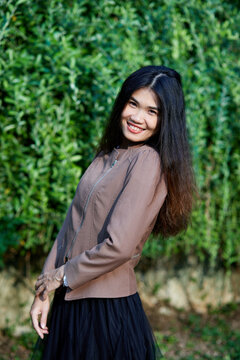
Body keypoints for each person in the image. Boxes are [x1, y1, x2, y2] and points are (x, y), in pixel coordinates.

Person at [30, 65, 195, 360]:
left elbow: (119, 246)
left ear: (165, 120)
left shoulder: (148, 161)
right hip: (72, 298)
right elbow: (71, 225)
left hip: (104, 309)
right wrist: (45, 288)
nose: (137, 117)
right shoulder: (107, 155)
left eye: (152, 111)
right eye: (133, 103)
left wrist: (61, 276)